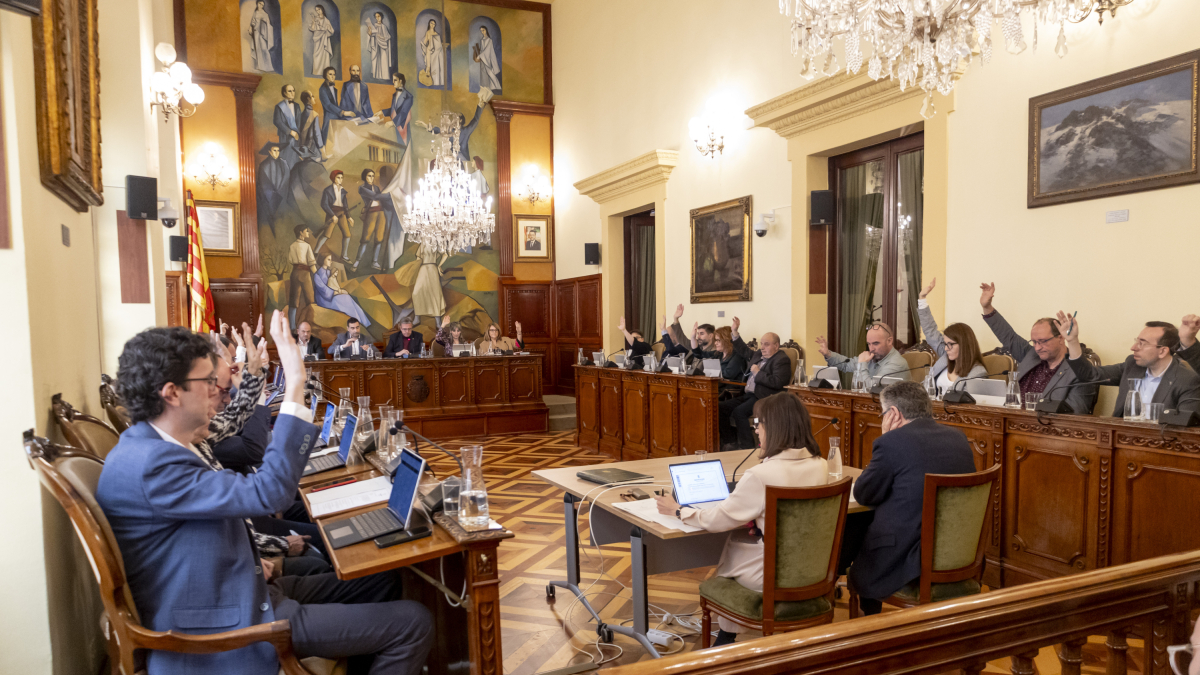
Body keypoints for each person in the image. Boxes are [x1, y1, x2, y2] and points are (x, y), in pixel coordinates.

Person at [97, 314, 434, 674]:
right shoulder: (152, 464)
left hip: (245, 588)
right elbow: (269, 492)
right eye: (208, 381)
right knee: (413, 622)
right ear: (172, 393)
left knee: (382, 580)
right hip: (229, 630)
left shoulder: (152, 447)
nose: (218, 389)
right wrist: (296, 379)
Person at [654, 394, 828, 647]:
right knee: (741, 539)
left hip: (770, 576)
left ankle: (726, 638)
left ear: (775, 426)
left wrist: (679, 510)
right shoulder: (820, 465)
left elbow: (716, 520)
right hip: (812, 571)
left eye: (758, 422)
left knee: (731, 551)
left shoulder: (760, 475)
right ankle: (727, 635)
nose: (755, 429)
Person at [847, 381, 976, 616]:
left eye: (883, 414)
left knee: (855, 531)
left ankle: (869, 621)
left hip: (906, 560)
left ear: (894, 413)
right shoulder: (959, 438)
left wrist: (887, 437)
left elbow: (864, 494)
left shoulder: (892, 442)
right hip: (959, 553)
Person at [978, 282, 1096, 414]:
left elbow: (1077, 414)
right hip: (1010, 420)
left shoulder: (1079, 370)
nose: (1038, 347)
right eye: (1034, 342)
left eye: (1043, 341)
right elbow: (1008, 336)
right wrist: (987, 308)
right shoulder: (1031, 355)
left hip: (1043, 425)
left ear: (1061, 338)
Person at [1056, 312, 1200, 418]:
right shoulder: (1132, 365)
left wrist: (1188, 341)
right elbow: (1089, 375)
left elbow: (1185, 429)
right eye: (1137, 341)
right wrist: (1072, 341)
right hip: (1121, 440)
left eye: (1142, 343)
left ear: (1162, 351)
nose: (1133, 347)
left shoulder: (1186, 379)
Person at [720, 327, 791, 450]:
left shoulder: (782, 359)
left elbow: (778, 382)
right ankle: (730, 441)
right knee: (721, 408)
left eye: (766, 344)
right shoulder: (759, 354)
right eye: (761, 344)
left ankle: (747, 447)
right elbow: (744, 351)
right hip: (748, 395)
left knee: (739, 412)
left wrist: (758, 374)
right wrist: (734, 332)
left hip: (764, 397)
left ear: (776, 345)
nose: (762, 347)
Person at [916, 278, 989, 397]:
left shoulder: (977, 373)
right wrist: (922, 299)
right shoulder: (945, 358)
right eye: (945, 344)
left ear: (964, 344)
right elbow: (930, 332)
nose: (946, 348)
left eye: (950, 344)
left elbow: (969, 405)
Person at [816, 323, 911, 385]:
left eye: (876, 343)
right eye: (869, 344)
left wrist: (862, 364)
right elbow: (846, 364)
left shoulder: (897, 363)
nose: (871, 348)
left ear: (889, 341)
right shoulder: (874, 356)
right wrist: (828, 354)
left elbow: (871, 389)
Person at [313, 253, 372, 328]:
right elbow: (324, 290)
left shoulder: (328, 272)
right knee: (343, 298)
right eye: (328, 259)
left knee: (347, 297)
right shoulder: (317, 275)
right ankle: (357, 322)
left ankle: (362, 322)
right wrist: (337, 292)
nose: (331, 261)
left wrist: (340, 291)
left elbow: (333, 284)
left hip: (332, 295)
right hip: (324, 300)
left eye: (331, 260)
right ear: (322, 260)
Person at [354, 168, 387, 272]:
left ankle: (375, 262)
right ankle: (357, 262)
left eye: (373, 176)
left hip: (381, 212)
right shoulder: (362, 188)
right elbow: (375, 196)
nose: (371, 178)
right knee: (365, 238)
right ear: (365, 177)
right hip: (371, 213)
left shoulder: (376, 187)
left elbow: (380, 198)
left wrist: (383, 197)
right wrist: (386, 195)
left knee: (379, 238)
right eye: (369, 176)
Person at [318, 170, 353, 261]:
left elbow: (345, 206)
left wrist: (349, 217)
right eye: (338, 177)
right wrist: (332, 215)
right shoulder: (327, 190)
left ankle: (344, 256)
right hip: (331, 213)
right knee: (326, 235)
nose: (340, 179)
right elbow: (324, 204)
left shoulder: (343, 191)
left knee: (347, 235)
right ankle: (315, 252)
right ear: (333, 178)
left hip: (342, 213)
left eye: (341, 178)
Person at [255, 142, 289, 236]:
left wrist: (282, 194)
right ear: (269, 152)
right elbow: (264, 184)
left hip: (283, 197)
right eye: (274, 150)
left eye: (278, 150)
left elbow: (287, 180)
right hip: (270, 199)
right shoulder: (263, 165)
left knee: (283, 222)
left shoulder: (284, 163)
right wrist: (273, 198)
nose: (277, 153)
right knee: (271, 222)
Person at [287, 225, 317, 328]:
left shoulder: (292, 246)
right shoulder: (307, 246)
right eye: (306, 231)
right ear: (301, 232)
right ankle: (311, 325)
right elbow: (312, 263)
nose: (308, 233)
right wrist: (317, 275)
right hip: (305, 274)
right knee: (310, 299)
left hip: (294, 273)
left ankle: (292, 326)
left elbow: (290, 260)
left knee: (293, 301)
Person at [318, 66, 355, 143]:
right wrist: (343, 112)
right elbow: (328, 105)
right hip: (329, 119)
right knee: (329, 142)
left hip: (336, 117)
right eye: (330, 74)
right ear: (325, 76)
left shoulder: (334, 89)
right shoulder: (322, 89)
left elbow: (335, 105)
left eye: (334, 74)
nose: (333, 76)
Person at [272, 84, 302, 169]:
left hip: (296, 136)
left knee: (295, 158)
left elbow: (299, 122)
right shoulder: (279, 107)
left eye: (293, 91)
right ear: (285, 93)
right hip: (285, 136)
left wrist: (297, 133)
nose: (292, 93)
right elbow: (277, 121)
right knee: (286, 158)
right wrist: (290, 132)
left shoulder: (297, 106)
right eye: (289, 91)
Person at [297, 90, 325, 162]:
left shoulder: (301, 114)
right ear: (308, 99)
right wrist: (322, 150)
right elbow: (317, 134)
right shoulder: (314, 114)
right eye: (312, 96)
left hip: (303, 149)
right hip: (313, 148)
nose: (314, 98)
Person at [472, 25, 501, 91]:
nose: (482, 32)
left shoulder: (489, 40)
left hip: (487, 59)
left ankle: (494, 86)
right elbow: (482, 50)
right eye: (481, 31)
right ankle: (484, 87)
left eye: (483, 30)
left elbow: (487, 50)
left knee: (489, 73)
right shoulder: (482, 40)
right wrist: (479, 54)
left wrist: (479, 56)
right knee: (483, 73)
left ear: (486, 30)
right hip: (483, 58)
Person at [248, 0, 274, 72]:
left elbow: (268, 25)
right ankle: (259, 66)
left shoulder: (265, 14)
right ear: (257, 3)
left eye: (262, 5)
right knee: (258, 49)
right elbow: (252, 22)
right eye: (260, 3)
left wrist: (264, 22)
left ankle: (268, 66)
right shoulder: (255, 12)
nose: (261, 6)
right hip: (256, 32)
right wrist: (251, 27)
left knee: (264, 48)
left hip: (262, 33)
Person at [308, 5, 334, 77]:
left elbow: (331, 31)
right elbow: (313, 28)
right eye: (316, 10)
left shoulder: (326, 20)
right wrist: (313, 20)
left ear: (322, 9)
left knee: (324, 56)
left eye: (319, 9)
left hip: (324, 39)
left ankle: (325, 72)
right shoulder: (315, 19)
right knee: (316, 55)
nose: (318, 11)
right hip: (317, 39)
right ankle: (317, 71)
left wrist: (326, 28)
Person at [366, 12, 392, 81]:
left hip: (383, 46)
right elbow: (371, 35)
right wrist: (369, 32)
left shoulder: (384, 26)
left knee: (383, 60)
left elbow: (388, 36)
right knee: (376, 60)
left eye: (378, 16)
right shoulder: (374, 26)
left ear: (381, 17)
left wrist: (381, 37)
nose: (377, 18)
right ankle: (377, 76)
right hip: (376, 45)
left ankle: (384, 76)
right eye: (376, 16)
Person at [421, 19, 446, 87]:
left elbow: (439, 44)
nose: (432, 25)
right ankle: (429, 82)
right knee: (428, 67)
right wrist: (425, 49)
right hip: (429, 52)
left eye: (434, 24)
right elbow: (424, 42)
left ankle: (436, 81)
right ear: (429, 24)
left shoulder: (437, 34)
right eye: (431, 23)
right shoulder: (428, 32)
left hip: (436, 53)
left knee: (437, 66)